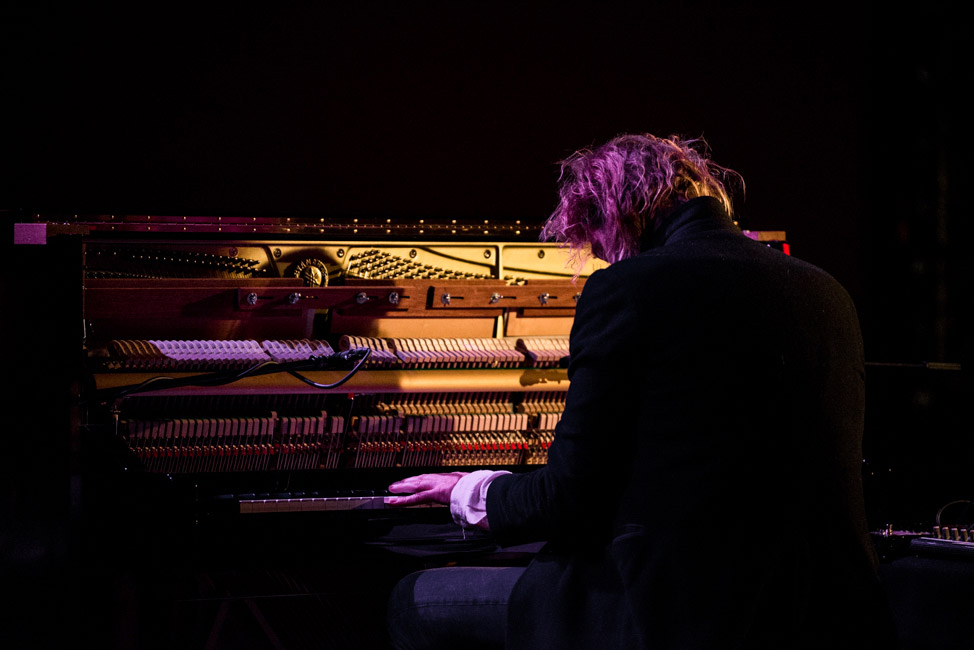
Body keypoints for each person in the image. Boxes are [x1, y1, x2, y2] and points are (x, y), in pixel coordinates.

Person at [385, 133, 895, 649]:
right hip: (830, 613)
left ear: (616, 210)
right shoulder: (827, 290)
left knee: (414, 599)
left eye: (597, 244)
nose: (602, 260)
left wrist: (470, 490)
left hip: (677, 613)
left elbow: (567, 498)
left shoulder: (630, 288)